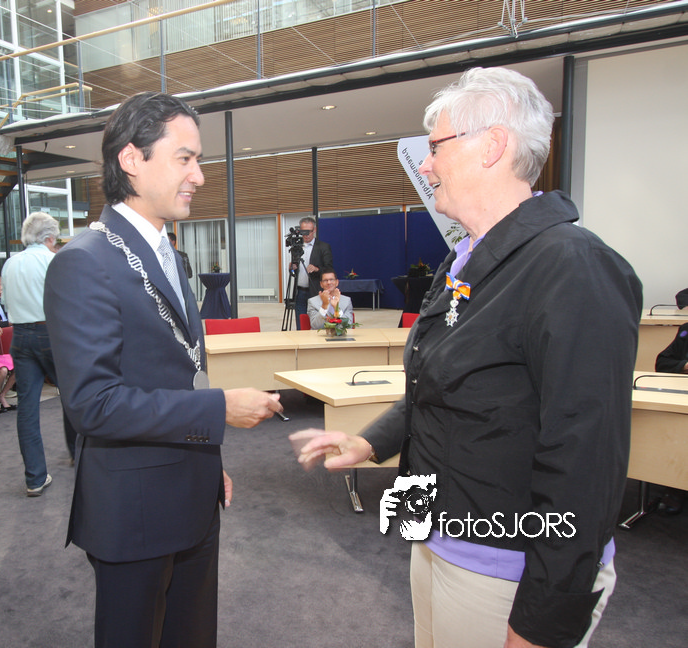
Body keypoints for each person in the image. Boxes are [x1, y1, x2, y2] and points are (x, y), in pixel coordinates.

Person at [296, 67, 641, 648]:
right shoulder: (465, 261)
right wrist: (371, 442)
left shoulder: (572, 266)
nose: (426, 165)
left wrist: (543, 621)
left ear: (493, 146)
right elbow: (440, 386)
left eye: (435, 147)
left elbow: (586, 465)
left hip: (504, 565)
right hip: (438, 537)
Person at [45, 91, 283, 648]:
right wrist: (219, 409)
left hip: (193, 493)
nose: (198, 176)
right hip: (135, 513)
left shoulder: (168, 254)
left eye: (198, 160)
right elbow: (93, 404)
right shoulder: (83, 261)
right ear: (132, 159)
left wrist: (206, 461)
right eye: (185, 159)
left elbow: (179, 368)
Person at [2, 211, 77, 495]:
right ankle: (79, 453)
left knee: (27, 407)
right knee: (72, 395)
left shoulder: (10, 263)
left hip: (20, 335)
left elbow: (6, 301)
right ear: (49, 237)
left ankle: (34, 477)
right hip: (52, 333)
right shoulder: (53, 260)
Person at [653, 317, 688, 515]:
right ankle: (676, 485)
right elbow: (662, 362)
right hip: (683, 397)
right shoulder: (686, 331)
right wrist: (685, 365)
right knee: (674, 426)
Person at [290, 216, 332, 329]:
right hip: (299, 291)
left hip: (316, 291)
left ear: (315, 230)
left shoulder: (323, 247)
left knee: (317, 323)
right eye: (303, 232)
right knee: (301, 323)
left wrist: (317, 269)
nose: (306, 235)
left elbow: (329, 269)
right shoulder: (297, 247)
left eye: (309, 231)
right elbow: (294, 271)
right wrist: (292, 268)